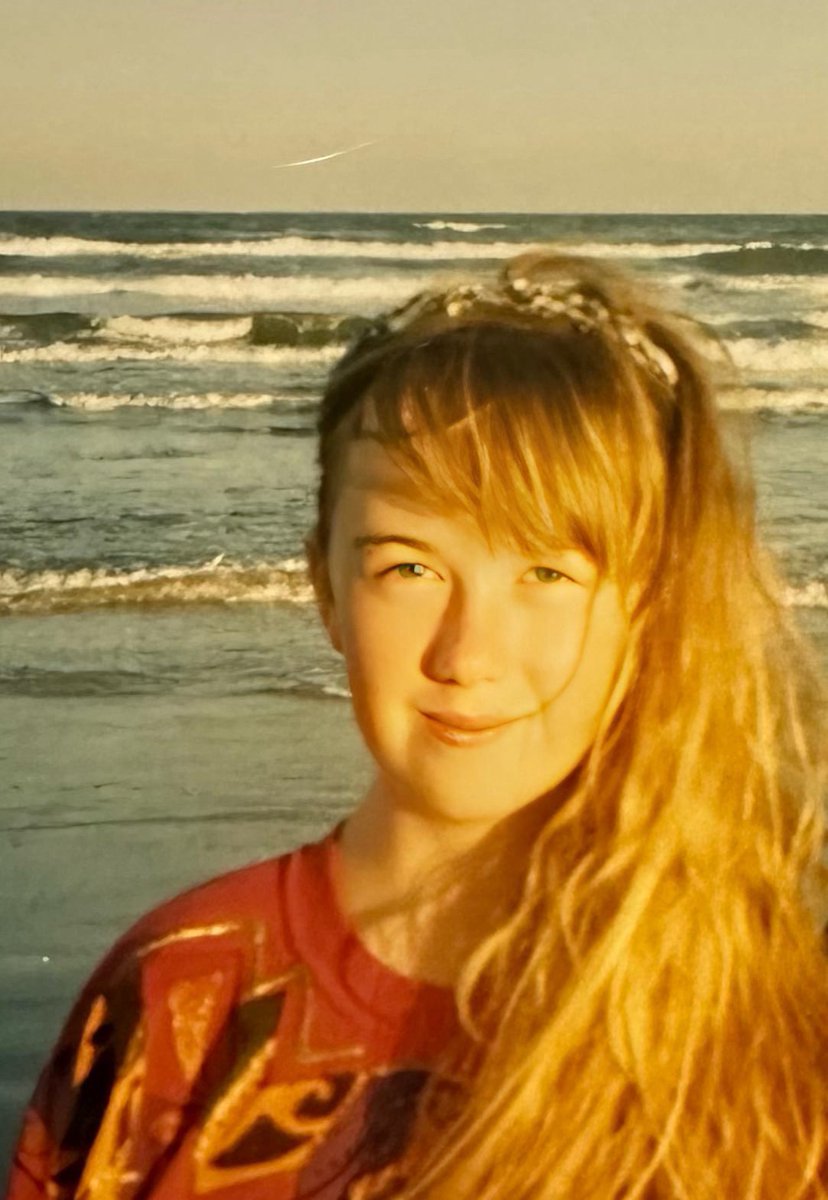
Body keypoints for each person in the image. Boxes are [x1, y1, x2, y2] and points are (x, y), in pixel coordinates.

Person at [5, 251, 827, 1200]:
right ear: (326, 590)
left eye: (548, 575)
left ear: (645, 611)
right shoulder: (182, 996)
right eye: (410, 569)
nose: (468, 654)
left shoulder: (760, 1031)